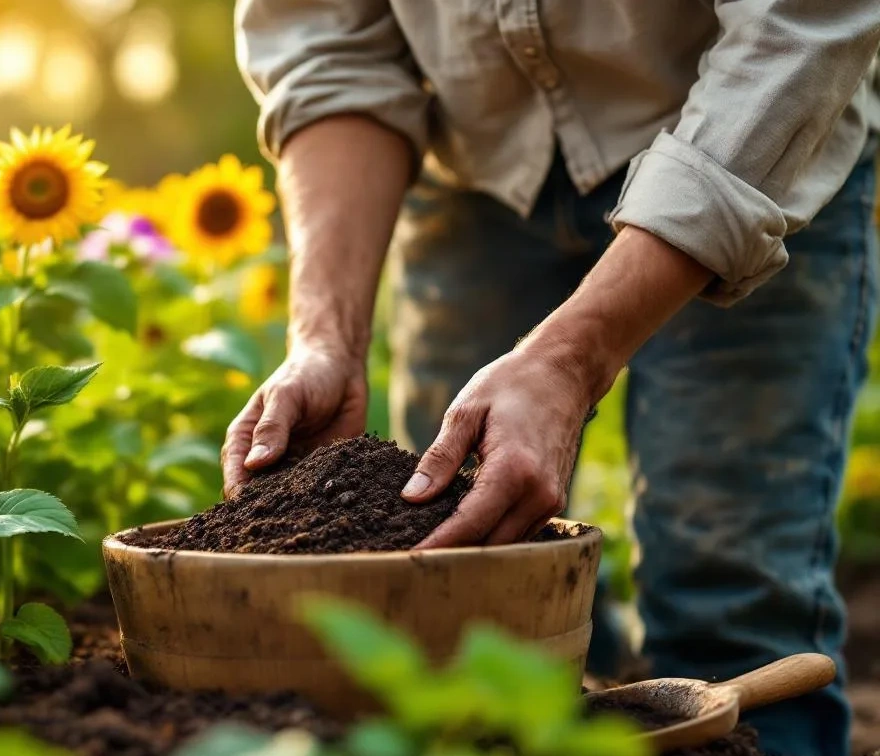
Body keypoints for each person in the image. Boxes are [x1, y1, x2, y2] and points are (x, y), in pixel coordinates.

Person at [221, 3, 880, 755]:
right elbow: (326, 48)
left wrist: (569, 360)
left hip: (753, 137)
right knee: (477, 604)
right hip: (476, 171)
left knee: (728, 594)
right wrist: (324, 340)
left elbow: (799, 26)